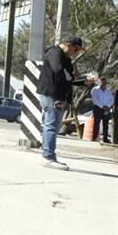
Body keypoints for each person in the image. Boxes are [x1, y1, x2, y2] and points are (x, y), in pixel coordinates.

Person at [36, 36, 92, 170]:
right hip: (52, 94)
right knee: (52, 125)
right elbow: (58, 70)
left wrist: (84, 82)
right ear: (68, 45)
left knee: (50, 124)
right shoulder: (55, 52)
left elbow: (69, 78)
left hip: (58, 95)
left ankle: (46, 153)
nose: (76, 52)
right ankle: (48, 157)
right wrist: (71, 76)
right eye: (76, 49)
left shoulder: (66, 59)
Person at [91, 77, 114, 144]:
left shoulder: (108, 91)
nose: (103, 83)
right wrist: (102, 106)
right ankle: (94, 137)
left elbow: (111, 100)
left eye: (104, 82)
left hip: (107, 108)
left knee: (106, 124)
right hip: (98, 108)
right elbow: (95, 100)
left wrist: (107, 106)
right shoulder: (95, 90)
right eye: (102, 82)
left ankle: (105, 138)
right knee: (96, 123)